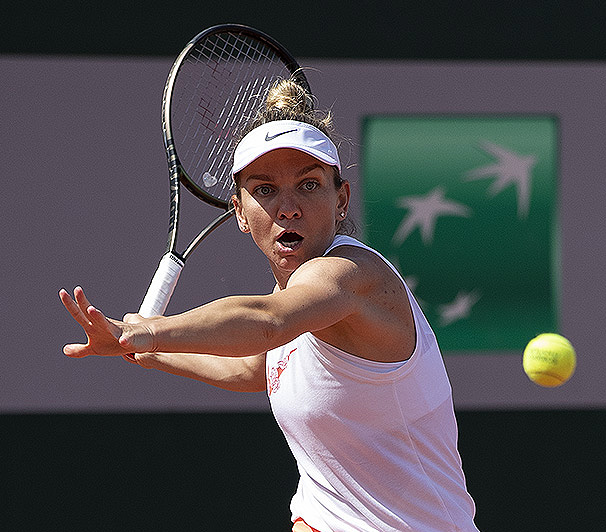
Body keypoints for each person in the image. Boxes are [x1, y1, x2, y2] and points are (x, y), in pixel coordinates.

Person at [59, 79, 479, 532]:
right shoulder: (296, 301)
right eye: (265, 190)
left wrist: (152, 330)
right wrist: (146, 350)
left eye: (308, 185)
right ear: (239, 211)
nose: (288, 207)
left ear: (341, 200)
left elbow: (267, 323)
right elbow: (258, 367)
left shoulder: (349, 275)